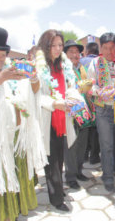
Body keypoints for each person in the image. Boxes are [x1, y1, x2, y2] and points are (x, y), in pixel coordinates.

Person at [0, 26, 39, 221]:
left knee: (17, 174)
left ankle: (18, 206)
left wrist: (33, 77)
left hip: (16, 136)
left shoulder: (9, 71)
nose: (1, 59)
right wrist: (1, 78)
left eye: (3, 54)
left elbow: (35, 89)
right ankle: (0, 211)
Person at [36, 30, 77, 211]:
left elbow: (71, 84)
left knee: (59, 155)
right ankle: (56, 198)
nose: (58, 49)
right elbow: (37, 96)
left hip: (62, 116)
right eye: (53, 45)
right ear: (46, 46)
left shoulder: (64, 63)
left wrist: (71, 96)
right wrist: (55, 103)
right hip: (48, 115)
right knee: (51, 159)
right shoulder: (40, 66)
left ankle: (58, 187)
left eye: (60, 45)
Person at [88, 32, 115, 192]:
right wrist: (99, 92)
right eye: (105, 48)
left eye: (112, 48)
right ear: (101, 48)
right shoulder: (95, 63)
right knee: (106, 145)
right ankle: (108, 176)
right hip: (103, 109)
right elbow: (89, 86)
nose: (109, 52)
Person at [63, 40, 93, 189]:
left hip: (84, 111)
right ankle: (70, 176)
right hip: (70, 112)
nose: (75, 55)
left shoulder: (82, 68)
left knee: (82, 144)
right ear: (65, 54)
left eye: (77, 52)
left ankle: (79, 171)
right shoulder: (63, 69)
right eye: (71, 52)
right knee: (71, 145)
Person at [80, 42, 101, 164]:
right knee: (95, 128)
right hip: (97, 98)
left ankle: (84, 154)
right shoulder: (101, 62)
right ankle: (94, 156)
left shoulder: (81, 61)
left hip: (83, 98)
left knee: (84, 126)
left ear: (87, 51)